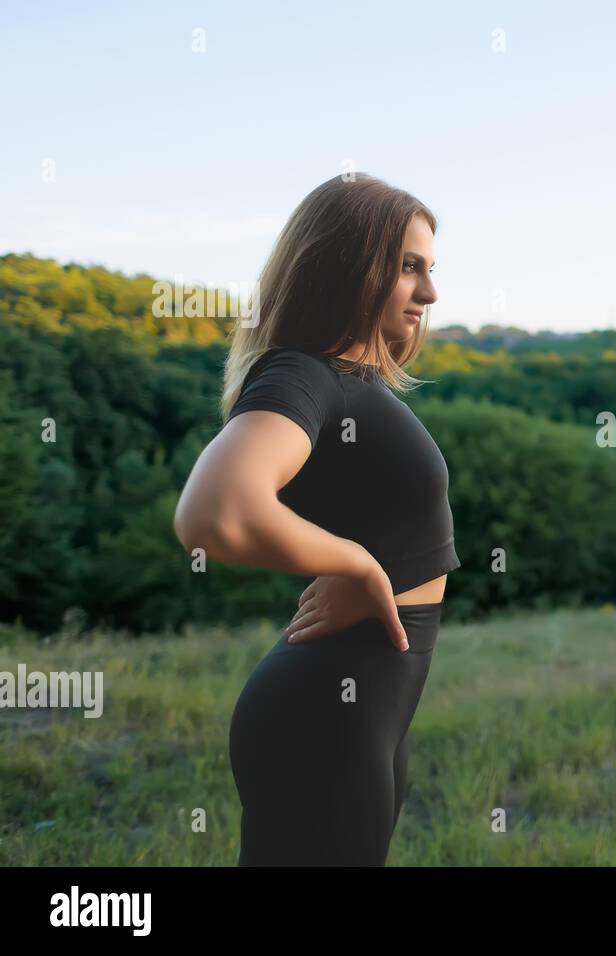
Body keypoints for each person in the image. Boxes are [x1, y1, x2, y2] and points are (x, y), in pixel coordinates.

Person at [172, 173, 461, 865]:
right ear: (350, 267)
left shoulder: (345, 378)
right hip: (324, 714)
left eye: (431, 270)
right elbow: (215, 511)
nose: (430, 292)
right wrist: (357, 563)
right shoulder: (303, 375)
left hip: (367, 704)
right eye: (408, 267)